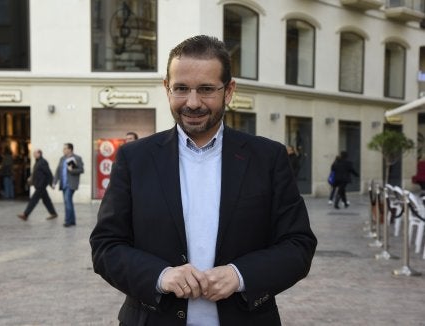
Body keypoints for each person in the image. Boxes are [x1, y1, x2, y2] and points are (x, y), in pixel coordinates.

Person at [90, 35, 317, 325]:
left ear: (229, 90)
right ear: (166, 88)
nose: (193, 102)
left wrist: (240, 275)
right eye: (181, 89)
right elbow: (106, 246)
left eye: (206, 89)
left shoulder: (268, 158)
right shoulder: (134, 159)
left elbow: (298, 245)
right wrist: (161, 276)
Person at [17, 150, 58, 221]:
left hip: (41, 185)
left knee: (33, 199)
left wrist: (52, 183)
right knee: (46, 200)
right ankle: (53, 213)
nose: (34, 155)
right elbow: (36, 172)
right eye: (33, 154)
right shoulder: (37, 162)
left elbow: (48, 173)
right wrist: (31, 177)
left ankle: (25, 214)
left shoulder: (43, 162)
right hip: (38, 184)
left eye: (35, 154)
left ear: (39, 154)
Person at [53, 143, 84, 227]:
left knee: (67, 200)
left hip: (71, 184)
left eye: (65, 149)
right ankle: (72, 220)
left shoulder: (77, 158)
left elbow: (81, 170)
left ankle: (68, 221)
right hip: (63, 184)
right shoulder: (62, 159)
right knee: (68, 202)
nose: (63, 150)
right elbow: (58, 171)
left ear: (70, 149)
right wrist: (54, 182)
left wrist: (72, 170)